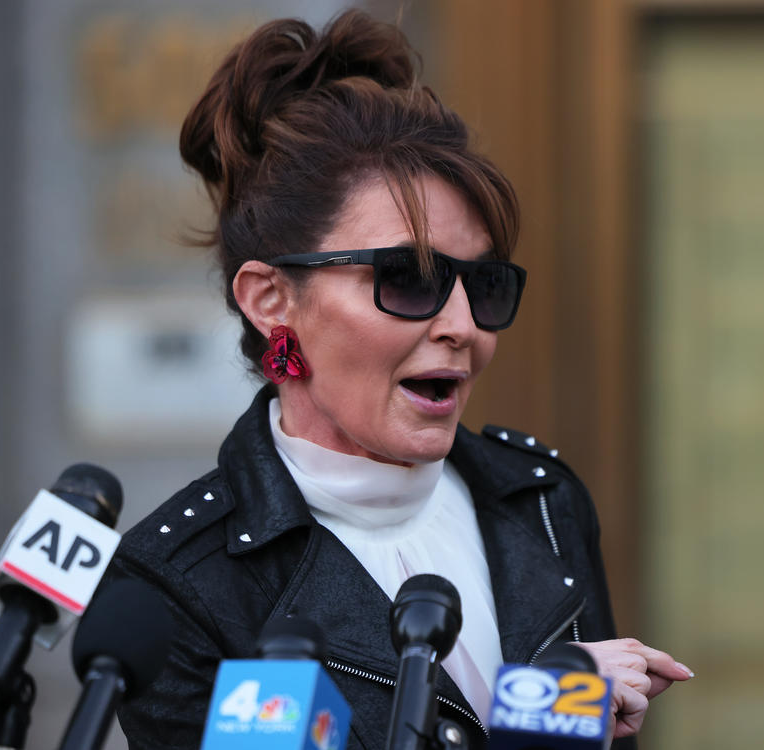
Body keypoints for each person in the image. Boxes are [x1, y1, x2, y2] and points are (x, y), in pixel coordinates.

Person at [110, 10, 692, 750]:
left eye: (482, 284)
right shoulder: (176, 582)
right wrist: (540, 718)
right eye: (409, 278)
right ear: (270, 300)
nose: (463, 325)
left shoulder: (543, 502)